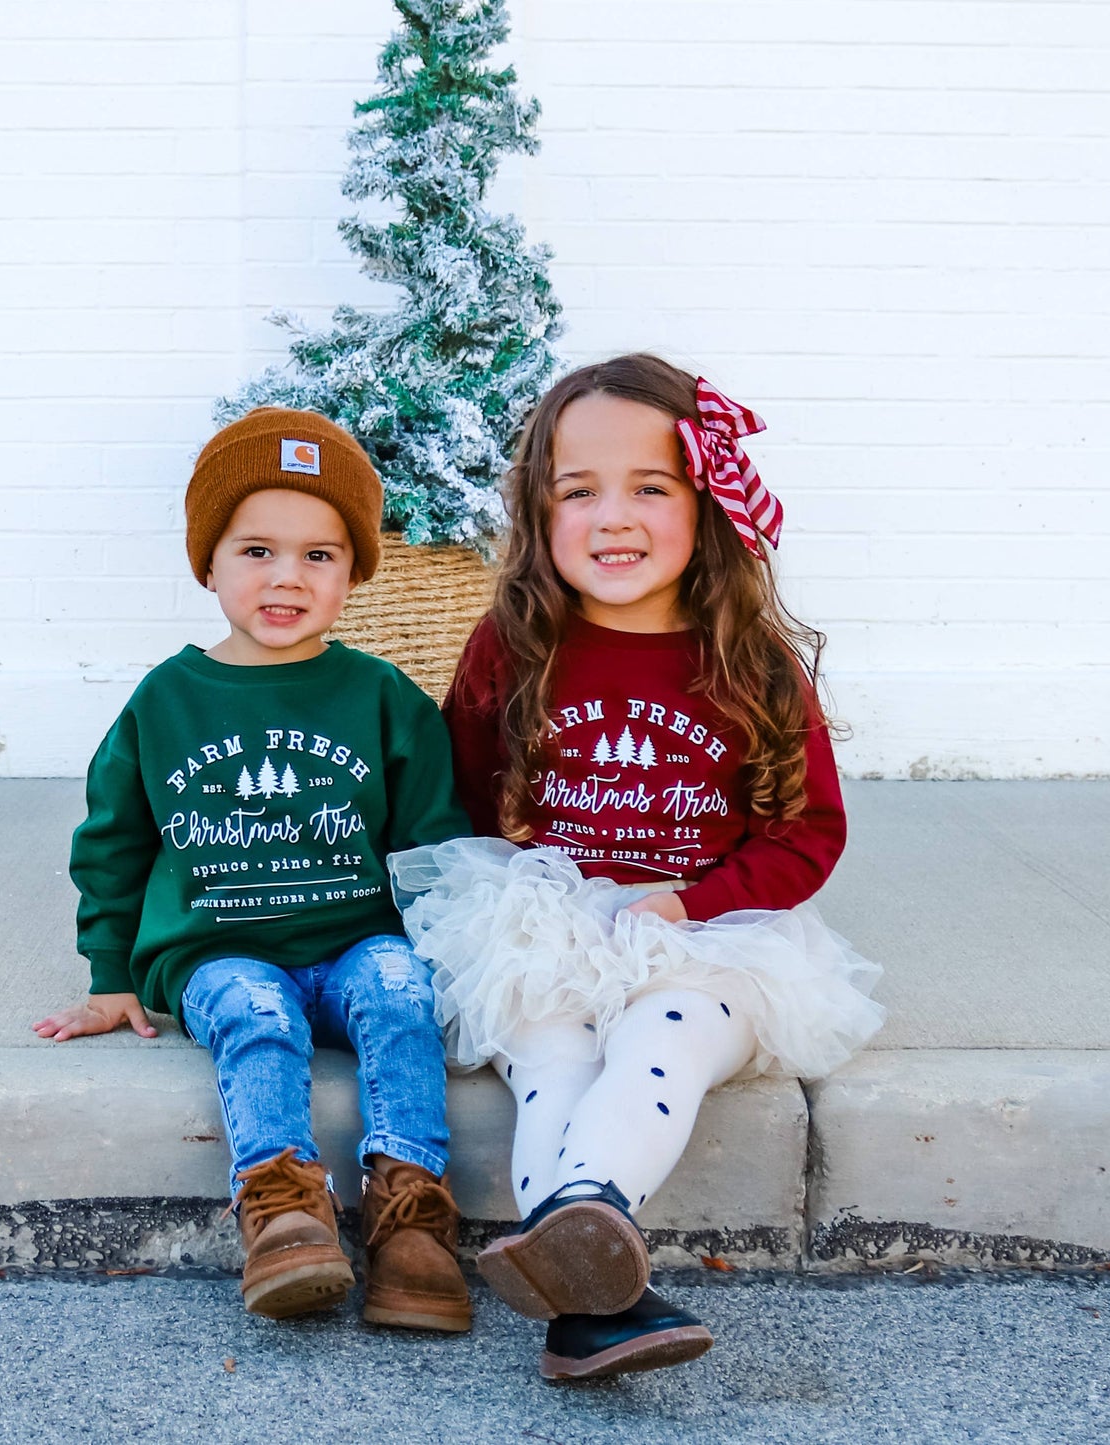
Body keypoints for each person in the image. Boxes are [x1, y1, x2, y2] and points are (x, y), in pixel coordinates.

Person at [389, 354, 885, 1379]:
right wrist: (510, 885)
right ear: (538, 511)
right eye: (577, 491)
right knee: (553, 1062)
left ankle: (581, 1234)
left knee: (668, 1036)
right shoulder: (512, 644)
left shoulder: (747, 660)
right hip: (541, 926)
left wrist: (691, 901)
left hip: (703, 934)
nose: (612, 517)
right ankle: (592, 1282)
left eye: (649, 486)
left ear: (704, 503)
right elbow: (461, 803)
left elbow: (806, 832)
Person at [34, 407, 473, 1334]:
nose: (287, 576)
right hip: (219, 949)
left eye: (320, 554)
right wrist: (112, 976)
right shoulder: (167, 699)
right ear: (210, 564)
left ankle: (410, 1215)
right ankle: (283, 1213)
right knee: (256, 1015)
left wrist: (458, 962)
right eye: (257, 550)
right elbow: (114, 842)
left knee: (400, 992)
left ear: (353, 572)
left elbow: (432, 843)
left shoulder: (382, 697)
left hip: (357, 942)